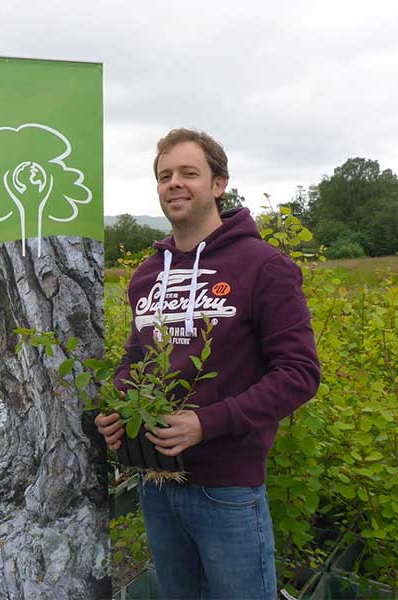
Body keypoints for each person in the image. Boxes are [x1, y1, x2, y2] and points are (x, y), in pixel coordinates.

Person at [96, 129, 320, 598]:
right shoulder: (146, 275)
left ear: (218, 184)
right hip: (155, 484)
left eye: (188, 173)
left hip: (229, 489)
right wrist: (116, 406)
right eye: (164, 175)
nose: (173, 183)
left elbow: (299, 373)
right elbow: (136, 355)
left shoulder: (263, 266)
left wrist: (205, 423)